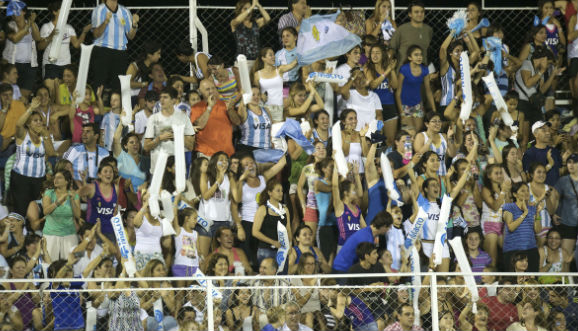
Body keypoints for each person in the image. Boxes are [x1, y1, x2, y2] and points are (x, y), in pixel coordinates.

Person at [237, 153, 286, 268]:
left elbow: (281, 163)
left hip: (263, 224)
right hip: (247, 225)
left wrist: (282, 145)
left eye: (251, 163)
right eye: (246, 164)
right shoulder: (240, 183)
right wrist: (241, 179)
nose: (250, 166)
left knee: (262, 261)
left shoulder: (263, 179)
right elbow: (237, 199)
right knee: (249, 261)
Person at [9, 98, 56, 218]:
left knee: (34, 211)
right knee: (20, 211)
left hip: (39, 180)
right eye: (35, 121)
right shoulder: (22, 134)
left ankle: (32, 234)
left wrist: (46, 135)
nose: (39, 123)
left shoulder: (43, 136)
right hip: (21, 179)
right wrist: (31, 108)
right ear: (29, 123)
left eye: (40, 120)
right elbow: (18, 124)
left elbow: (51, 152)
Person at [90, 0, 140, 91]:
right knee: (99, 84)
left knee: (118, 86)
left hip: (120, 53)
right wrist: (105, 22)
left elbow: (130, 36)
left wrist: (134, 25)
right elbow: (96, 34)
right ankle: (98, 104)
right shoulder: (99, 10)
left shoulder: (125, 11)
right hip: (102, 51)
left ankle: (116, 105)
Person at [39, 1, 91, 88]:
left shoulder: (69, 28)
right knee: (51, 93)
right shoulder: (46, 27)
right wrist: (51, 36)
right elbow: (40, 47)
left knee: (64, 93)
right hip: (50, 64)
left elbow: (76, 45)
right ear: (54, 12)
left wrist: (84, 32)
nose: (66, 13)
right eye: (62, 10)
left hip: (66, 65)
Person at [143, 87, 195, 172]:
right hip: (158, 168)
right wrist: (159, 139)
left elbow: (190, 146)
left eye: (165, 97)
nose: (161, 100)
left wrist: (177, 136)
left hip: (177, 169)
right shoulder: (153, 118)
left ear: (173, 100)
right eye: (161, 97)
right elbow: (146, 147)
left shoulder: (184, 117)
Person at [197, 152, 239, 258]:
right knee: (204, 257)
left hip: (225, 222)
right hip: (206, 222)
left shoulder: (230, 176)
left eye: (226, 160)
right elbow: (205, 196)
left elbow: (236, 198)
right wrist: (218, 181)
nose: (224, 162)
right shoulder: (205, 175)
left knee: (222, 258)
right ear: (214, 162)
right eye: (221, 159)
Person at [332, 210, 392, 278]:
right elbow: (365, 263)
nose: (389, 230)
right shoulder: (366, 238)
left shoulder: (368, 233)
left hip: (344, 268)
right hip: (342, 270)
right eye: (389, 227)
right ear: (384, 226)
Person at [190, 79, 240, 157]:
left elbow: (237, 122)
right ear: (200, 91)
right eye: (207, 89)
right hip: (207, 153)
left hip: (227, 153)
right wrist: (210, 106)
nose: (211, 91)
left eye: (213, 88)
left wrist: (230, 109)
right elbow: (199, 126)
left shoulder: (224, 104)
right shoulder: (196, 107)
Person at [2, 2, 41, 100]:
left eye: (17, 11)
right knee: (10, 92)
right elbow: (15, 39)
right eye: (13, 12)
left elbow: (37, 38)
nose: (15, 14)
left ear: (24, 12)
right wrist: (27, 26)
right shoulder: (9, 25)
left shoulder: (32, 24)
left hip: (29, 65)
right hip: (12, 64)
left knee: (24, 96)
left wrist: (31, 23)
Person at [42, 169, 80, 261]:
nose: (56, 180)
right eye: (55, 178)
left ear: (67, 181)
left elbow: (78, 215)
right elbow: (45, 211)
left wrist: (71, 200)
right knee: (49, 266)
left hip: (69, 234)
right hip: (50, 234)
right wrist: (58, 202)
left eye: (59, 178)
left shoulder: (74, 195)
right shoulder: (49, 193)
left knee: (69, 266)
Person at [252, 47, 298, 123]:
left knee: (276, 132)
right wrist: (260, 95)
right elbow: (255, 92)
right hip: (264, 107)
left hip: (279, 108)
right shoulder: (257, 74)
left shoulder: (279, 70)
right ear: (263, 58)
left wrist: (300, 56)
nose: (274, 57)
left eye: (274, 55)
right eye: (270, 55)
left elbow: (292, 65)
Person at [396, 45, 436, 131]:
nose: (419, 57)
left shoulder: (425, 70)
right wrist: (401, 113)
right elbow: (398, 93)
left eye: (420, 55)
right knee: (410, 133)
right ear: (410, 57)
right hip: (404, 105)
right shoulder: (404, 69)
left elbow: (428, 91)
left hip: (418, 105)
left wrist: (434, 109)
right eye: (416, 55)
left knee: (418, 132)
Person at [252, 178, 292, 265]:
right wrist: (273, 242)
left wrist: (290, 245)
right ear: (270, 192)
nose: (281, 193)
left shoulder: (285, 209)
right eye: (278, 191)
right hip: (266, 251)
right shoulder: (262, 209)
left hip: (282, 251)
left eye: (282, 191)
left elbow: (288, 229)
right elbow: (255, 232)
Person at [364, 43, 398, 145]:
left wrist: (391, 70)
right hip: (375, 108)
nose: (374, 55)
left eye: (377, 53)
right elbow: (373, 84)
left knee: (390, 140)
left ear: (383, 55)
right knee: (376, 140)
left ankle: (387, 160)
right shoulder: (368, 68)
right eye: (372, 53)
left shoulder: (388, 68)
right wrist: (387, 71)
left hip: (389, 105)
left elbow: (395, 86)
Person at [390, 1, 433, 68]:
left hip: (422, 71)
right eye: (416, 12)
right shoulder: (402, 29)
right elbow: (392, 48)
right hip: (403, 72)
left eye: (422, 12)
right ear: (410, 14)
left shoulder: (428, 30)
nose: (420, 14)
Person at [523, 121, 563, 186]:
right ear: (535, 134)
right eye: (544, 130)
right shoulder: (529, 154)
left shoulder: (555, 151)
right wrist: (549, 165)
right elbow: (529, 177)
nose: (548, 133)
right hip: (540, 193)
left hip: (556, 192)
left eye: (548, 130)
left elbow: (560, 172)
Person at [554, 153, 578, 256]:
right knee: (565, 257)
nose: (571, 165)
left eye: (575, 162)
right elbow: (555, 199)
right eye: (569, 162)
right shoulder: (563, 181)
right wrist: (555, 213)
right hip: (568, 223)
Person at [237, 87, 272, 152]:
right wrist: (243, 96)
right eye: (253, 95)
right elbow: (242, 108)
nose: (256, 97)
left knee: (286, 157)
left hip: (267, 149)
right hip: (249, 148)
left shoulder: (266, 110)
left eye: (258, 94)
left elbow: (271, 132)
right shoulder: (245, 112)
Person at [0, 83, 26, 167]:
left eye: (10, 95)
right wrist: (4, 110)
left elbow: (24, 126)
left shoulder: (19, 105)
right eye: (5, 95)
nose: (8, 98)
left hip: (14, 142)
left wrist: (11, 138)